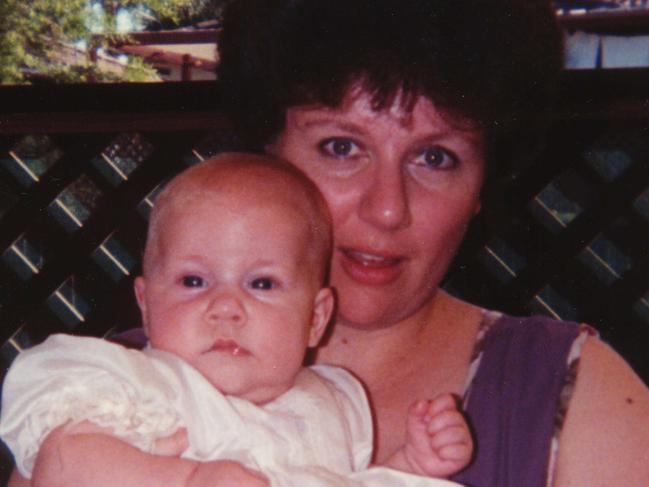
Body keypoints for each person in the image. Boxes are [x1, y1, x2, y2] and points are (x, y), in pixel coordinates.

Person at [9, 0, 649, 486]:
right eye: (341, 147)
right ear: (269, 150)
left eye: (436, 156)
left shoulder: (573, 397)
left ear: (484, 183)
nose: (387, 208)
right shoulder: (119, 397)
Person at [1, 153, 472, 487]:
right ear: (145, 303)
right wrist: (188, 479)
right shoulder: (138, 386)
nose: (225, 307)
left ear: (316, 317)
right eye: (193, 281)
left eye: (262, 284)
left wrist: (410, 463)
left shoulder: (333, 405)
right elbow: (61, 468)